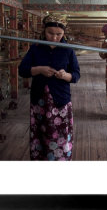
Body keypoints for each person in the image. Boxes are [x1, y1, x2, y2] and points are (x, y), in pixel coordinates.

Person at [18, 14, 80, 161]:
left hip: (61, 101)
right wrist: (39, 69)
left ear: (64, 33)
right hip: (40, 101)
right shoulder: (35, 48)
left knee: (60, 135)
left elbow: (76, 75)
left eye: (59, 34)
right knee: (40, 134)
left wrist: (65, 75)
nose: (54, 37)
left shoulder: (68, 50)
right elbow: (22, 70)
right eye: (50, 33)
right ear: (43, 30)